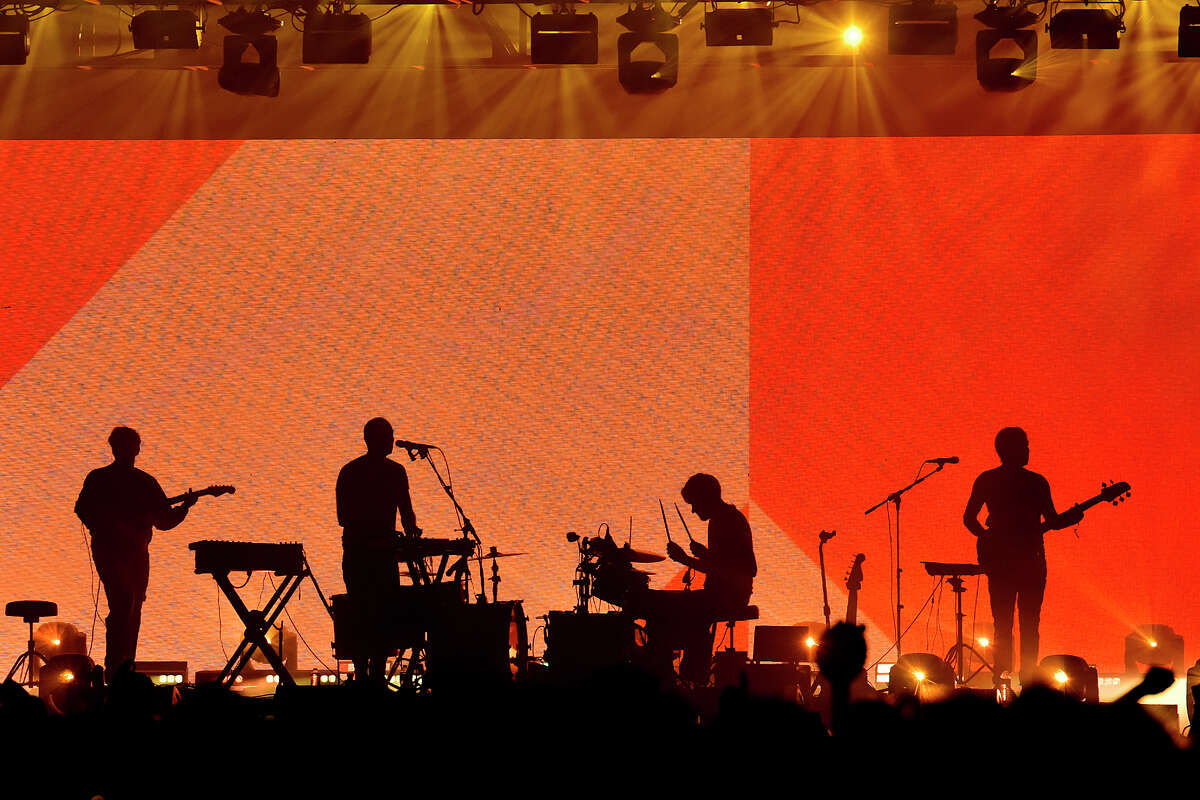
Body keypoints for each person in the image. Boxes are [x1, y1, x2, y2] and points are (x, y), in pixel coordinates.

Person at [963, 427, 1083, 687]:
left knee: (1002, 622)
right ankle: (1028, 681)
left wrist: (987, 538)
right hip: (1031, 559)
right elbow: (1053, 521)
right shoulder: (1036, 482)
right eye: (1025, 445)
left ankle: (1000, 677)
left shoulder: (987, 479)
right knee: (1030, 622)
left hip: (1003, 561)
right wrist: (1072, 518)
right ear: (1013, 449)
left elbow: (969, 519)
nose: (1029, 450)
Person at [74, 427, 195, 679]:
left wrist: (184, 507)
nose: (130, 450)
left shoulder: (145, 482)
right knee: (123, 602)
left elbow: (163, 520)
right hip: (111, 551)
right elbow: (83, 508)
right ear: (116, 448)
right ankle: (115, 668)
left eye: (132, 445)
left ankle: (125, 666)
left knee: (133, 608)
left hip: (137, 553)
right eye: (125, 445)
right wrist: (108, 528)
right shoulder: (100, 478)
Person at [635, 473, 757, 685]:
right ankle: (687, 669)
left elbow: (739, 569)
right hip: (726, 594)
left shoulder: (726, 521)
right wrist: (704, 554)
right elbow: (727, 561)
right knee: (670, 604)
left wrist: (686, 560)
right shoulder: (726, 518)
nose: (692, 510)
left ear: (706, 498)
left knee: (661, 605)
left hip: (728, 597)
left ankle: (680, 672)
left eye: (694, 503)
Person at [336, 417, 421, 682]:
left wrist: (408, 533)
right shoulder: (393, 472)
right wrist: (409, 535)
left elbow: (344, 517)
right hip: (374, 556)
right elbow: (406, 515)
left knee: (368, 616)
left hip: (362, 555)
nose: (393, 440)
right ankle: (372, 678)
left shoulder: (350, 471)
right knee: (377, 616)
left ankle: (367, 678)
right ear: (373, 439)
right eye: (388, 435)